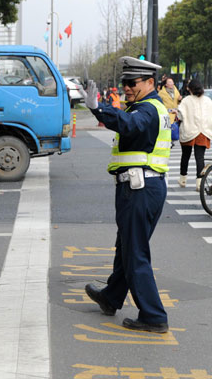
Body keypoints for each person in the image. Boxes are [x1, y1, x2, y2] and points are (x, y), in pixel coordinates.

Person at [80, 56, 171, 333]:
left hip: (140, 188)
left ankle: (154, 315)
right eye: (124, 83)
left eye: (132, 83)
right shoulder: (147, 107)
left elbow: (130, 125)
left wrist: (98, 109)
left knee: (134, 253)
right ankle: (111, 297)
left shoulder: (147, 110)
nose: (127, 88)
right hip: (142, 187)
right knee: (126, 248)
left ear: (150, 82)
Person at [176, 79, 212, 191]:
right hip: (203, 132)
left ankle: (183, 179)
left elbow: (181, 116)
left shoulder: (186, 100)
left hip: (189, 131)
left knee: (185, 156)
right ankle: (199, 183)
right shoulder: (208, 100)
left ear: (189, 88)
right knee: (199, 158)